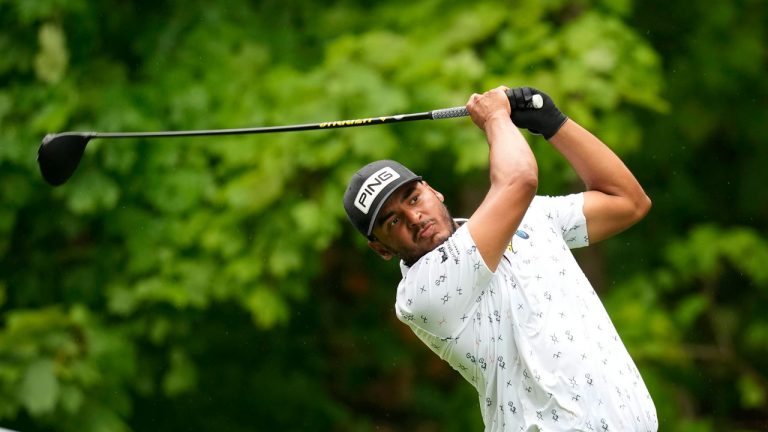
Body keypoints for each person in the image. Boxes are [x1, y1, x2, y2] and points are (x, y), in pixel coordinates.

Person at [343, 86, 658, 431]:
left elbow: (629, 202)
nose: (414, 218)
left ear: (434, 191)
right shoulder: (421, 295)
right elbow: (520, 179)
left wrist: (551, 122)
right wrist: (495, 117)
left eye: (414, 198)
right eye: (393, 221)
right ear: (382, 249)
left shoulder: (528, 217)